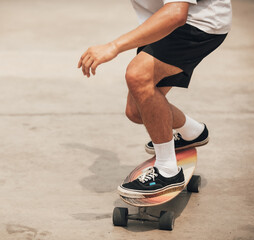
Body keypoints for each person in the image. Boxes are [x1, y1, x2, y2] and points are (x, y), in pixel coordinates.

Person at [77, 0, 232, 197]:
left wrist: (113, 46)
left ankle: (167, 171)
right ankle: (193, 132)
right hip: (160, 22)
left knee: (138, 75)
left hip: (198, 23)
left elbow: (177, 13)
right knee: (135, 111)